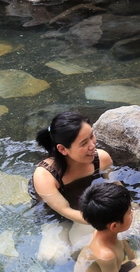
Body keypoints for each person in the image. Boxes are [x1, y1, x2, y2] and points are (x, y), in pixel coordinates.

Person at [30, 111, 113, 262]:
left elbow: (115, 186)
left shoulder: (101, 159)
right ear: (62, 149)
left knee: (87, 250)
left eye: (91, 136)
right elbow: (64, 210)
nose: (92, 145)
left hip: (89, 210)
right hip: (58, 217)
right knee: (54, 258)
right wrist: (103, 221)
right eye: (83, 143)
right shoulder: (45, 175)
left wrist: (129, 207)